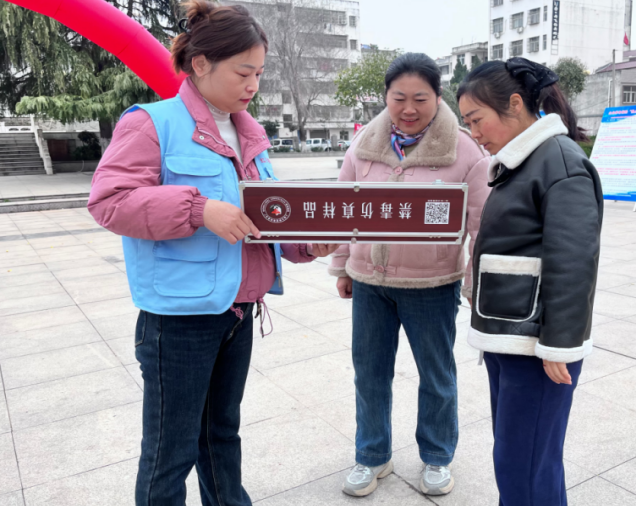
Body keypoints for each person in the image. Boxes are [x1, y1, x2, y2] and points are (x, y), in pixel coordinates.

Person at [87, 2, 337, 504]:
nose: (253, 85)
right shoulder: (152, 123)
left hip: (238, 312)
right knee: (170, 449)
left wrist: (307, 243)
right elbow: (109, 202)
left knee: (221, 434)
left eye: (259, 74)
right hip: (179, 320)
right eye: (243, 72)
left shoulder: (250, 135)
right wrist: (199, 210)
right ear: (200, 64)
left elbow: (265, 217)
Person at [329, 52, 491, 498]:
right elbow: (344, 209)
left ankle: (437, 456)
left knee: (436, 375)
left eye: (420, 99)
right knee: (369, 374)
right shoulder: (363, 143)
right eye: (398, 98)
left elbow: (481, 225)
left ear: (437, 97)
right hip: (369, 282)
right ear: (385, 97)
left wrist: (475, 284)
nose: (408, 109)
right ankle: (372, 455)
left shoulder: (465, 151)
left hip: (431, 285)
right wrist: (342, 265)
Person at [456, 58, 602, 506]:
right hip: (509, 335)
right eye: (467, 124)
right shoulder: (523, 161)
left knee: (524, 463)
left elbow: (573, 260)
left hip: (536, 346)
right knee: (525, 459)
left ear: (515, 104)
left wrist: (560, 343)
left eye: (476, 120)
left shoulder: (559, 162)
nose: (474, 133)